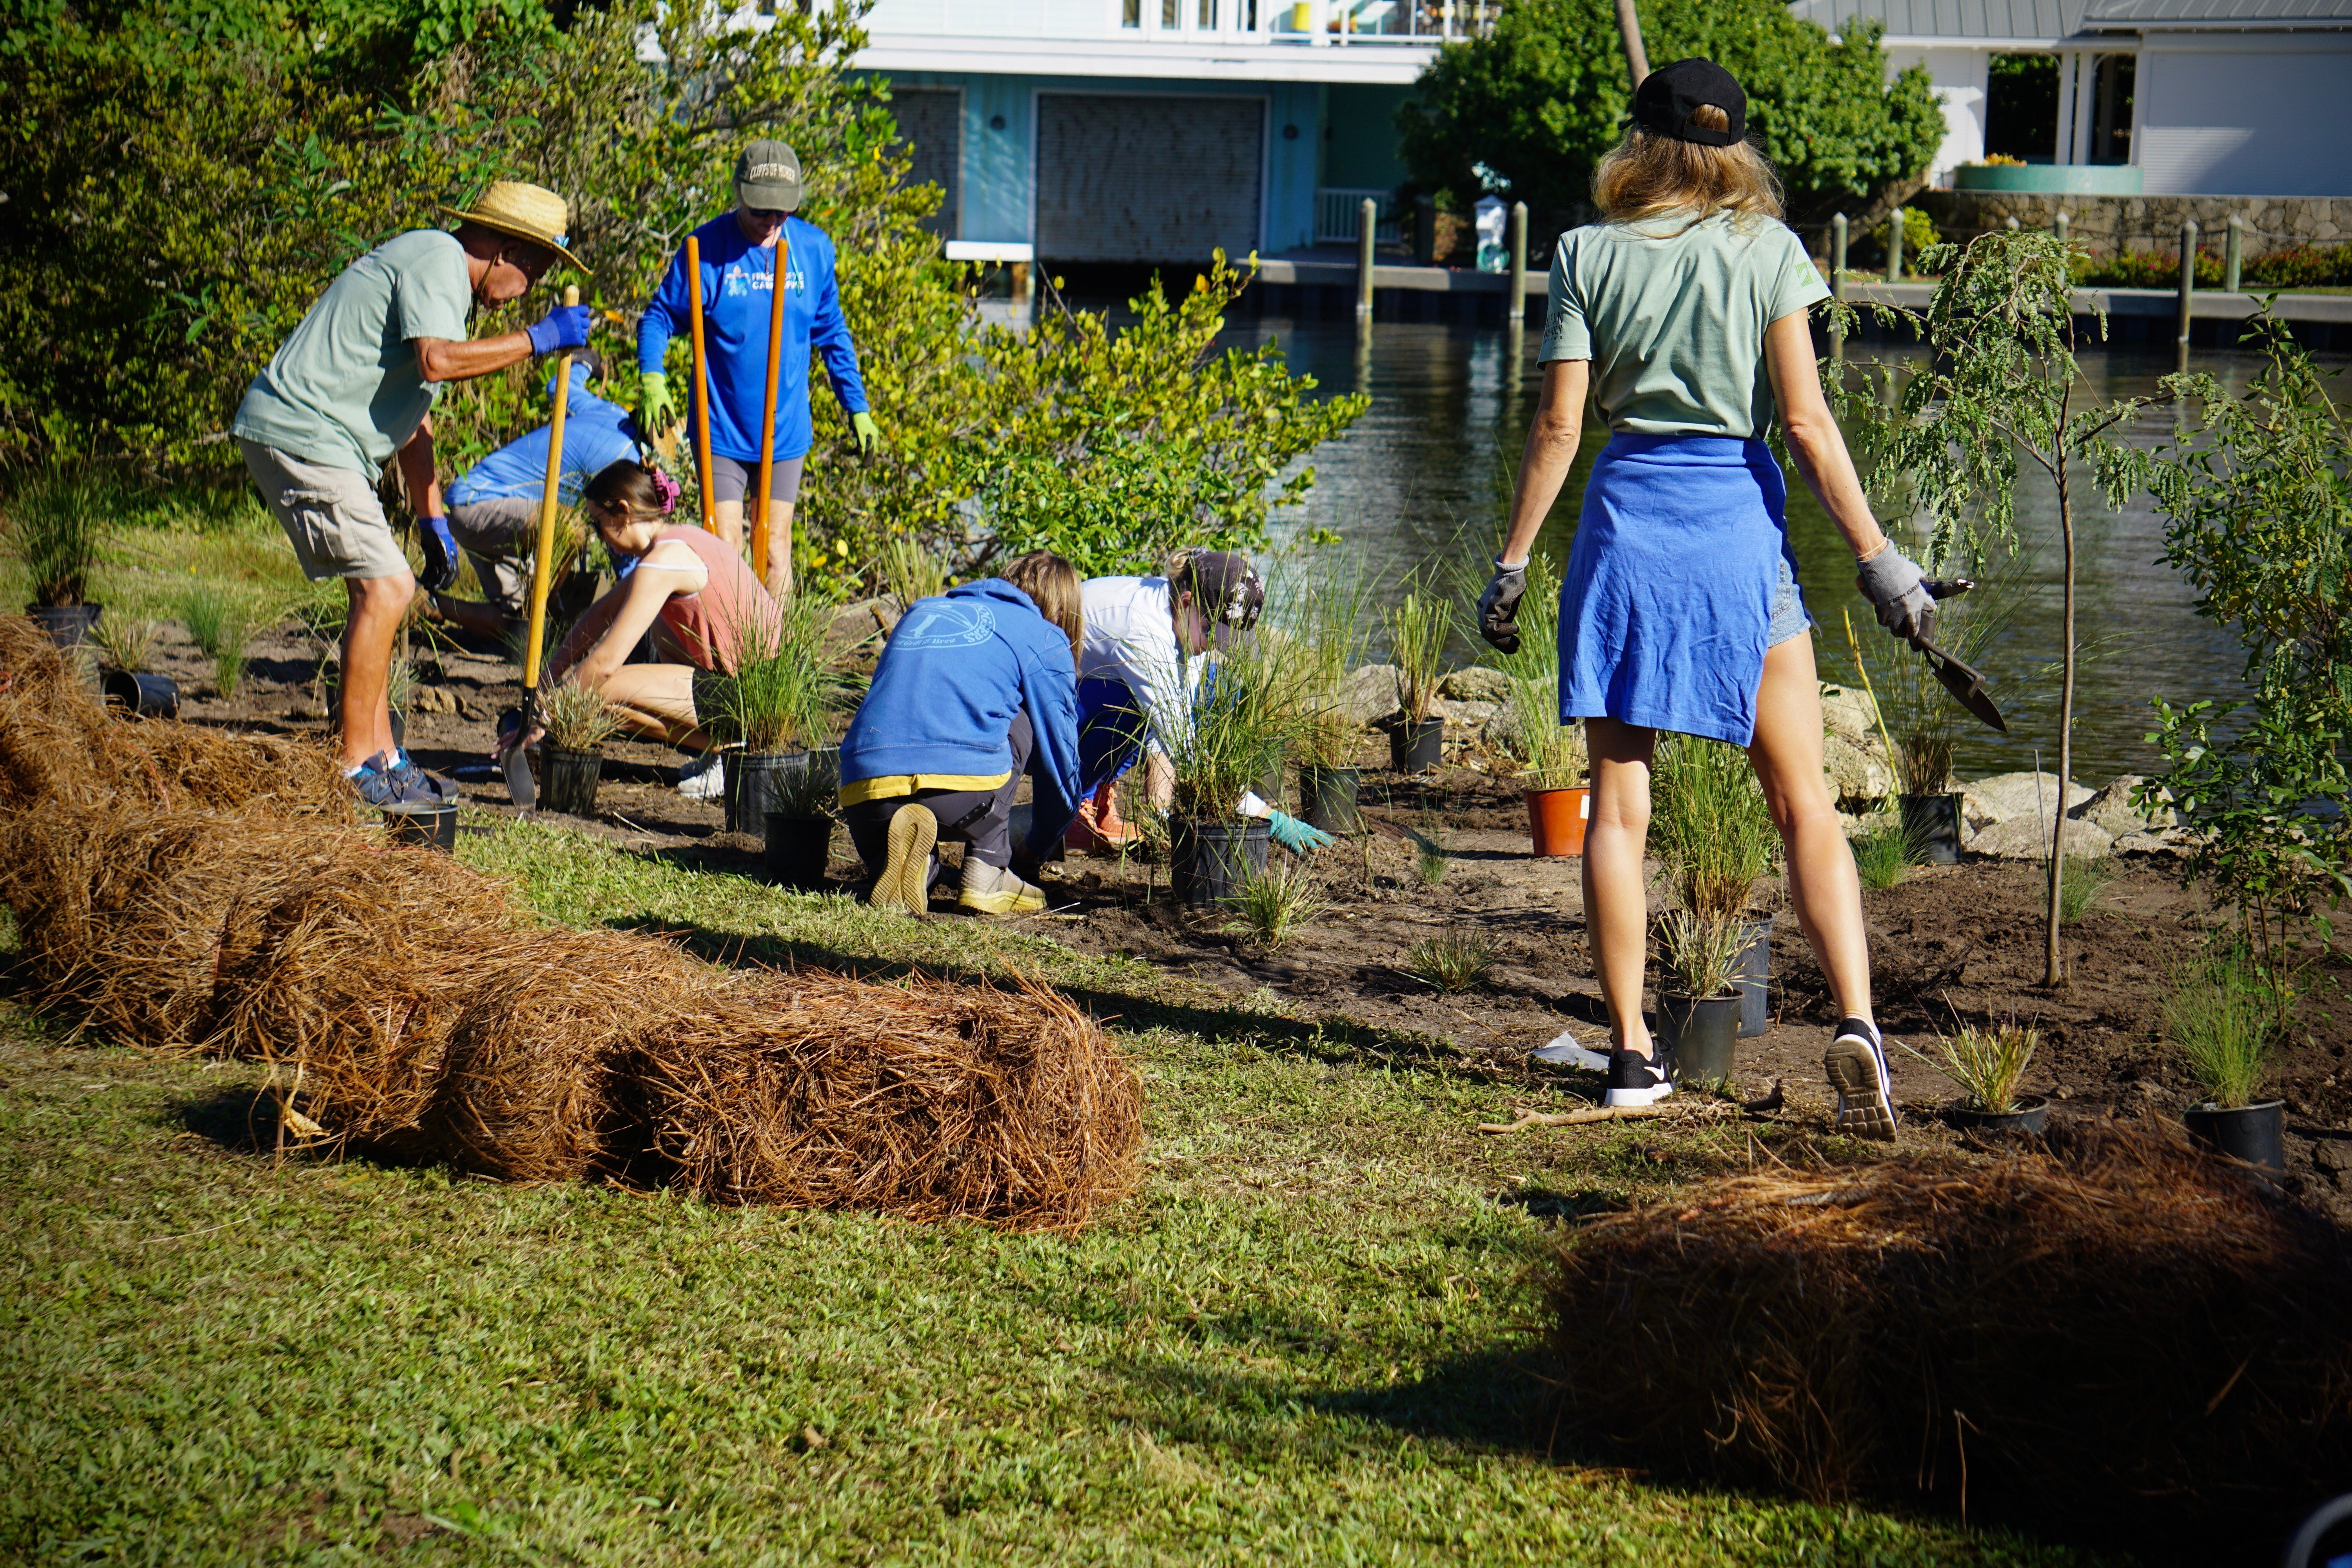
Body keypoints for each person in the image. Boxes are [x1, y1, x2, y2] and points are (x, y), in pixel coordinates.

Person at [1474, 58, 1932, 1136]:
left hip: (1629, 533)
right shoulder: (1769, 250)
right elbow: (1810, 427)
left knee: (1621, 813)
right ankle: (1859, 1028)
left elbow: (1557, 431)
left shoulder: (1586, 254)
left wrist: (1510, 564)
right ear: (1735, 149)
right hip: (1738, 543)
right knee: (1803, 801)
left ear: (1635, 143)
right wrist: (1878, 559)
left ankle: (1633, 1055)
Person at [233, 180, 590, 807]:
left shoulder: (445, 281)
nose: (531, 285)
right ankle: (351, 769)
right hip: (305, 432)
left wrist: (433, 520)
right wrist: (538, 340)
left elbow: (415, 416)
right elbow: (437, 363)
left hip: (327, 444)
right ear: (509, 251)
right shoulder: (438, 260)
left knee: (385, 592)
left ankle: (386, 758)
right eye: (535, 269)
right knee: (388, 587)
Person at [636, 140, 878, 601]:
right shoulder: (704, 250)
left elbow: (833, 333)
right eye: (760, 211)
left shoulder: (813, 250)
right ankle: (728, 658)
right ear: (738, 194)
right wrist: (653, 377)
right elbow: (659, 317)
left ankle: (774, 662)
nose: (771, 223)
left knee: (774, 548)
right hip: (721, 428)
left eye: (781, 213)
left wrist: (858, 407)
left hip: (784, 430)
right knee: (725, 544)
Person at [837, 552, 1086, 918]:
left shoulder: (922, 610)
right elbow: (1062, 773)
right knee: (1021, 717)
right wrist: (1035, 849)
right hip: (962, 797)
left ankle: (910, 865)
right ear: (1064, 614)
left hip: (865, 793)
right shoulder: (1044, 634)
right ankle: (987, 868)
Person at [1069, 549, 1330, 856]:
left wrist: (1162, 817)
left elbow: (1177, 720)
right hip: (1042, 714)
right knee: (1135, 705)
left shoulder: (1181, 620)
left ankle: (1100, 794)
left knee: (1216, 682)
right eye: (1210, 633)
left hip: (1095, 689)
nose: (1211, 645)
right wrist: (1267, 816)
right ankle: (1072, 805)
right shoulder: (1145, 632)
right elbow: (1184, 748)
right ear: (1187, 602)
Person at [521, 459, 778, 754]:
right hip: (760, 687)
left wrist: (547, 713)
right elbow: (602, 613)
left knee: (599, 690)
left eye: (598, 522)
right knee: (651, 636)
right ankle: (726, 747)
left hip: (753, 696)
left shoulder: (661, 563)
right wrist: (548, 677)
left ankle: (729, 751)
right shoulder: (679, 539)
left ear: (623, 511)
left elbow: (605, 665)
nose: (598, 535)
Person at [428, 351, 641, 640]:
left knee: (516, 625)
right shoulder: (625, 460)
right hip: (481, 502)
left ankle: (424, 603)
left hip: (473, 507)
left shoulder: (611, 413)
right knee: (571, 528)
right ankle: (550, 609)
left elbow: (559, 386)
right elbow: (623, 541)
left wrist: (585, 364)